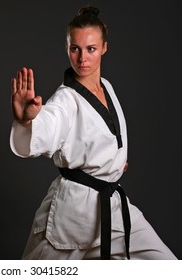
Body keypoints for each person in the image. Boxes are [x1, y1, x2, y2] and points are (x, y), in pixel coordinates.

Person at [10, 6, 177, 260]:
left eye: (91, 49)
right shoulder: (65, 100)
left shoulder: (107, 87)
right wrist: (26, 121)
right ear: (67, 49)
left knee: (166, 264)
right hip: (74, 212)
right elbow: (48, 126)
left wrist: (115, 161)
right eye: (75, 49)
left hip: (111, 206)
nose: (82, 59)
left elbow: (105, 136)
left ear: (104, 48)